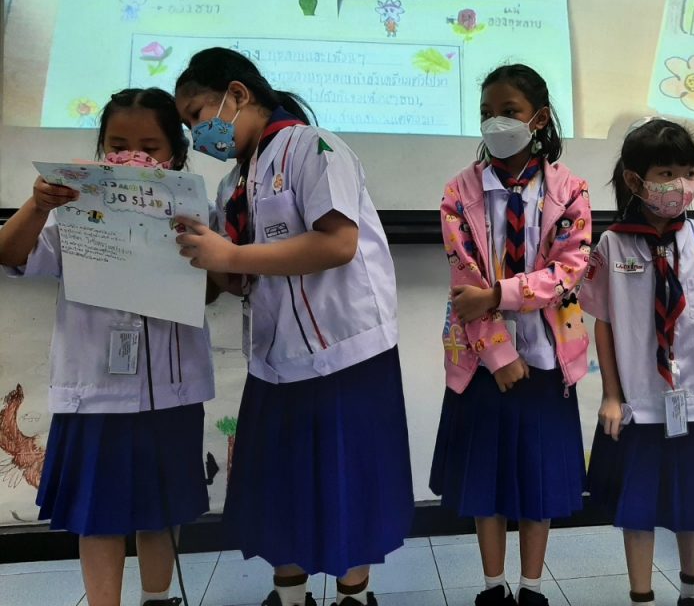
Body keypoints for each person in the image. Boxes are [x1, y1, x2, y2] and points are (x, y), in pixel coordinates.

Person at [174, 47, 413, 606]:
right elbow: (243, 275)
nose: (196, 133)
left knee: (350, 478)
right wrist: (203, 254)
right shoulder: (232, 184)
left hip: (348, 350)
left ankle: (354, 595)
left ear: (237, 95)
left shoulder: (315, 147)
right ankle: (288, 595)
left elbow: (338, 243)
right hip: (276, 358)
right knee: (280, 483)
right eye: (186, 125)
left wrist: (231, 256)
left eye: (198, 115)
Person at [0, 88, 214, 606]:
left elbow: (214, 287)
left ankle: (158, 598)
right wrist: (39, 203)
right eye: (118, 145)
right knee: (98, 512)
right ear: (102, 148)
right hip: (93, 387)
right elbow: (11, 253)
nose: (133, 156)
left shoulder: (197, 209)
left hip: (171, 387)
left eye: (150, 147)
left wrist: (193, 245)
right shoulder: (72, 205)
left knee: (161, 508)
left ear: (176, 152)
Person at [430, 64, 592, 606]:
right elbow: (464, 281)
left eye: (509, 111)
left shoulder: (570, 190)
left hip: (548, 358)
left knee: (538, 482)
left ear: (538, 118)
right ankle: (493, 587)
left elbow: (568, 271)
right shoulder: (459, 191)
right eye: (486, 112)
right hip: (481, 362)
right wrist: (499, 354)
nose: (495, 122)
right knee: (488, 483)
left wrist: (499, 295)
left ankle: (531, 588)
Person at [581, 118, 694, 606]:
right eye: (665, 173)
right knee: (637, 508)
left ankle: (692, 591)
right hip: (639, 403)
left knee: (692, 503)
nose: (679, 184)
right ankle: (641, 595)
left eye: (687, 171)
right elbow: (603, 323)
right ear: (635, 180)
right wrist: (611, 396)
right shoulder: (612, 244)